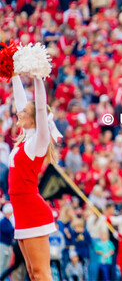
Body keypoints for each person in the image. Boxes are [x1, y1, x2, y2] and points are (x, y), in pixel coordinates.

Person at [8, 73, 62, 281]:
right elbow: (23, 103)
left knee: (41, 273)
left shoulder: (38, 142)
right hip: (21, 211)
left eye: (24, 113)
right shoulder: (24, 141)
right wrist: (13, 74)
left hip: (32, 209)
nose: (19, 114)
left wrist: (39, 78)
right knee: (33, 273)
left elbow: (40, 107)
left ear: (34, 119)